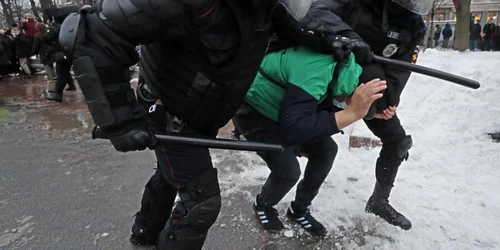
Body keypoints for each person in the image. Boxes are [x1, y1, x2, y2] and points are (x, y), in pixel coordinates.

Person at [58, 1, 373, 249]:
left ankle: (144, 232)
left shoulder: (266, 6)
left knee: (171, 176)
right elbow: (91, 30)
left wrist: (341, 39)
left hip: (203, 107)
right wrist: (119, 120)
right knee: (201, 203)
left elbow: (307, 22)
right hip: (168, 107)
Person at [232, 44, 386, 237]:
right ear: (356, 89)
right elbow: (294, 131)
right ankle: (263, 204)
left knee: (327, 150)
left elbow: (323, 106)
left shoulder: (344, 72)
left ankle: (299, 209)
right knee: (287, 171)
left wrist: (378, 110)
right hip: (256, 110)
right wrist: (352, 112)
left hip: (285, 109)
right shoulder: (317, 70)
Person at [302, 0, 428, 230]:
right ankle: (299, 206)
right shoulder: (358, 3)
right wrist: (350, 38)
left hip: (371, 86)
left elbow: (400, 69)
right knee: (309, 140)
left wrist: (389, 103)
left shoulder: (414, 26)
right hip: (329, 79)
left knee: (398, 141)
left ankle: (379, 201)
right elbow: (313, 12)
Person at [43, 14, 76, 102]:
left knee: (61, 73)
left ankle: (58, 94)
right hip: (69, 52)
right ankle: (66, 87)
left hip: (62, 52)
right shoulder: (71, 25)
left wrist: (51, 28)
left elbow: (46, 38)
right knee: (64, 72)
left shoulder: (57, 27)